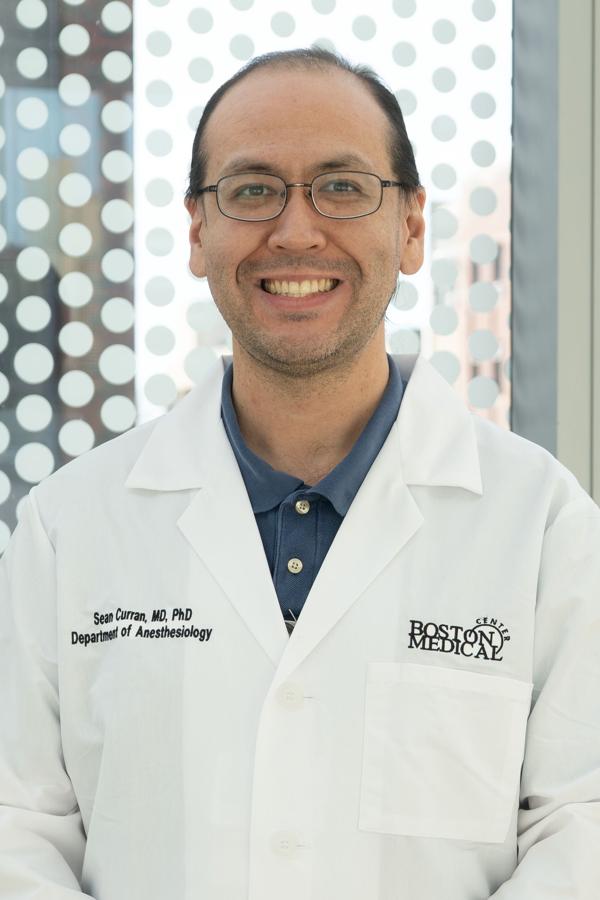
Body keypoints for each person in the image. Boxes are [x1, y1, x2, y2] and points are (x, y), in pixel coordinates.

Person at [1, 47, 599, 900]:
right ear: (199, 234)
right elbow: (17, 826)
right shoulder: (69, 527)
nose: (295, 230)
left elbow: (581, 822)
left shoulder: (542, 524)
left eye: (343, 187)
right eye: (252, 190)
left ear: (413, 228)